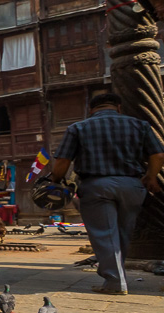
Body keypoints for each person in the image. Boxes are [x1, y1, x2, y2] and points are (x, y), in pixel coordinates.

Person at [49, 91, 164, 295]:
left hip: (96, 186)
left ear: (91, 109)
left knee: (104, 235)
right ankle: (117, 276)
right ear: (118, 107)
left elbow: (63, 161)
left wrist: (55, 181)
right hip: (132, 186)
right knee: (123, 234)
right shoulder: (139, 125)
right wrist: (151, 176)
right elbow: (158, 154)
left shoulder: (79, 127)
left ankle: (114, 281)